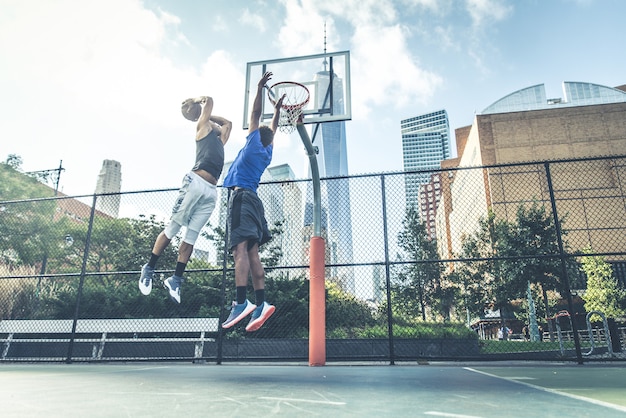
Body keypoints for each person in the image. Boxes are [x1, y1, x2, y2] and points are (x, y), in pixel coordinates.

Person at [138, 96, 232, 303]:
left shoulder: (220, 142)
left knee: (191, 237)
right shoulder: (201, 129)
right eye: (211, 123)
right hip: (194, 183)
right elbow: (210, 100)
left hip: (210, 192)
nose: (217, 127)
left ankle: (176, 280)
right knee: (173, 228)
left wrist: (212, 120)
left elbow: (228, 124)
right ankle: (149, 267)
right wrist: (200, 107)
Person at [221, 71, 285, 332]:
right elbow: (273, 128)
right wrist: (278, 111)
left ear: (258, 134)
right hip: (255, 202)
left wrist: (259, 89)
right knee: (252, 253)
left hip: (242, 197)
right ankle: (261, 303)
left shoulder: (254, 144)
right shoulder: (267, 152)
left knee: (239, 252)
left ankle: (240, 302)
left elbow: (255, 116)